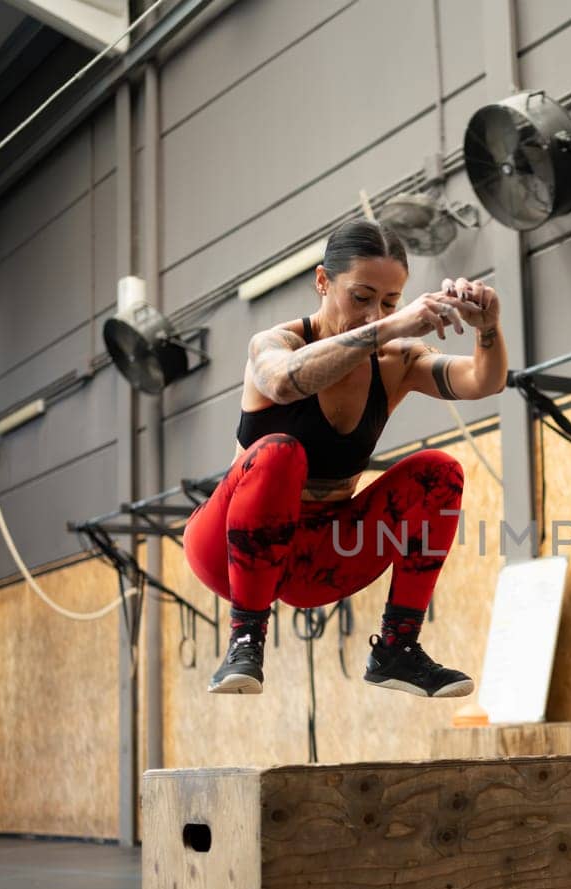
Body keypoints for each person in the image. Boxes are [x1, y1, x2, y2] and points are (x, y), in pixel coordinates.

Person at [182, 219, 506, 696]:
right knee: (279, 453)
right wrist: (390, 326)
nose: (375, 312)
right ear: (322, 282)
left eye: (391, 302)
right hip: (228, 550)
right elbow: (284, 382)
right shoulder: (276, 344)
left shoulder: (398, 363)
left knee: (440, 472)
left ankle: (397, 648)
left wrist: (488, 328)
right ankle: (245, 636)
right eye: (361, 297)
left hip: (318, 557)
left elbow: (484, 381)